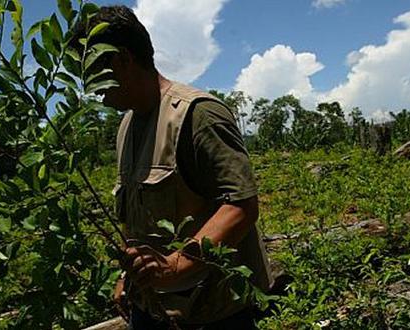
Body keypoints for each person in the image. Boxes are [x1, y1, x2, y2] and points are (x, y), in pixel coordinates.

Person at [72, 5, 273, 329]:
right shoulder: (125, 127)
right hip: (152, 308)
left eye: (92, 72)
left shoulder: (197, 115)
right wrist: (130, 276)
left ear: (123, 60)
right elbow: (136, 218)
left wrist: (176, 265)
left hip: (213, 312)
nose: (90, 88)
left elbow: (241, 205)